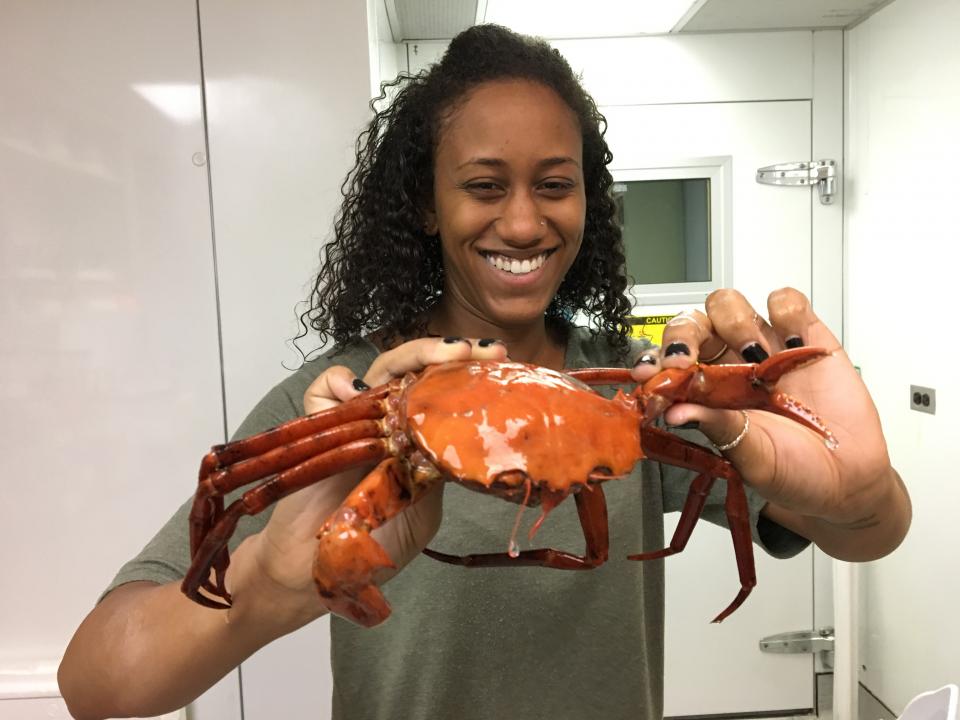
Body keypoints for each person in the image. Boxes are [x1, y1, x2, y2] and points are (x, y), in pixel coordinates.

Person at [58, 24, 911, 720]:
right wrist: (271, 583)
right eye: (482, 184)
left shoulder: (639, 393)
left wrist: (859, 492)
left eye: (555, 184)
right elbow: (96, 682)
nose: (524, 220)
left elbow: (869, 530)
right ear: (426, 203)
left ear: (587, 202)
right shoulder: (344, 404)